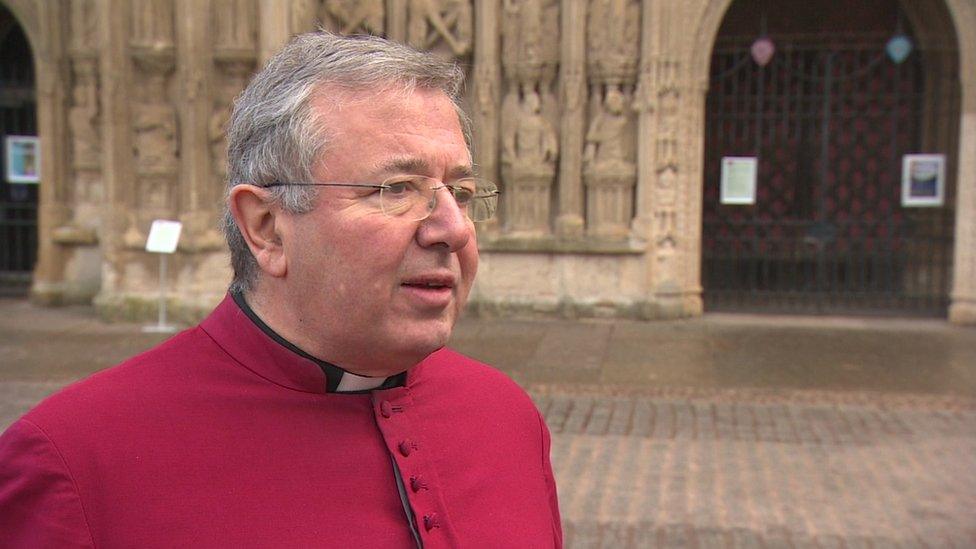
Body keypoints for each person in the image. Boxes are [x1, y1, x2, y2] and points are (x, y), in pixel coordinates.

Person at [0, 32, 562, 548]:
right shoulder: (75, 462)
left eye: (460, 192)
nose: (454, 229)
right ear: (267, 228)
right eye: (398, 189)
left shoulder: (506, 417)